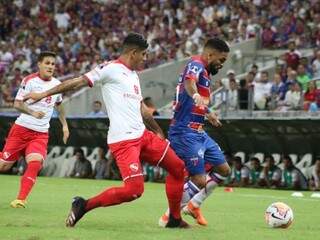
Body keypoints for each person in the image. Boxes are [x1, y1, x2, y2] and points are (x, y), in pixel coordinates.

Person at [24, 33, 188, 228]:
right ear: (133, 52)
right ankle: (83, 205)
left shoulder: (133, 75)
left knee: (178, 168)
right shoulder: (109, 69)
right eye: (143, 54)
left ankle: (175, 220)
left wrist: (157, 131)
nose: (145, 58)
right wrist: (44, 93)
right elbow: (77, 82)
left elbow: (141, 107)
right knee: (134, 191)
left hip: (143, 136)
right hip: (124, 141)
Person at [159, 38, 231, 227]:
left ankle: (193, 205)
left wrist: (208, 113)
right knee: (198, 180)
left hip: (198, 132)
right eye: (221, 60)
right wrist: (196, 94)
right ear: (210, 55)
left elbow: (197, 101)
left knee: (223, 169)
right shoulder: (196, 64)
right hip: (184, 132)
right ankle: (169, 217)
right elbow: (190, 83)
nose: (222, 65)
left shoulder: (205, 71)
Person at [0, 51, 69, 208]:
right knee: (4, 166)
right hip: (21, 130)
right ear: (39, 64)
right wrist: (32, 112)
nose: (51, 66)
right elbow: (17, 104)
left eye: (53, 64)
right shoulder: (29, 80)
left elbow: (59, 106)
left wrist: (65, 125)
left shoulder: (57, 84)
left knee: (35, 163)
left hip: (40, 133)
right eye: (47, 63)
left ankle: (20, 199)